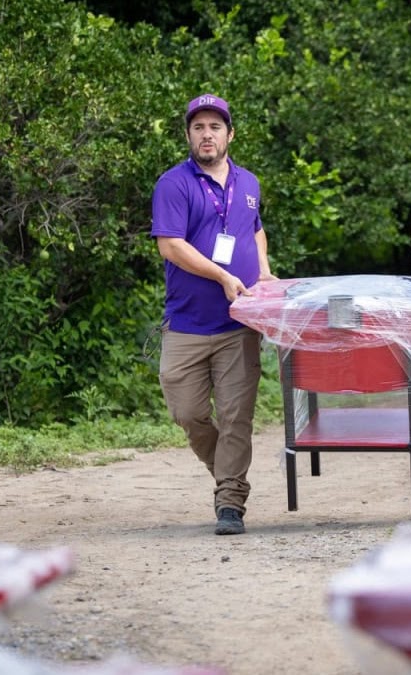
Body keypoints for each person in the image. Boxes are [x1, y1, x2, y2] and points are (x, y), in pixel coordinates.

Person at [150, 94, 275, 536]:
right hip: (186, 323)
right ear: (188, 135)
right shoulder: (173, 184)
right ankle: (228, 470)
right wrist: (222, 275)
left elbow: (255, 230)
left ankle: (230, 502)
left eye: (215, 127)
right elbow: (170, 245)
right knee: (187, 413)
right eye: (199, 127)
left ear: (230, 134)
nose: (207, 134)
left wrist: (263, 270)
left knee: (238, 415)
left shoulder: (249, 183)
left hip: (239, 324)